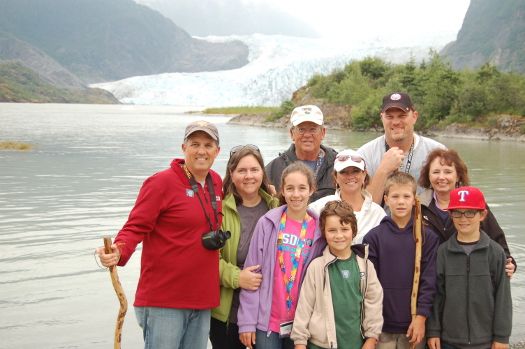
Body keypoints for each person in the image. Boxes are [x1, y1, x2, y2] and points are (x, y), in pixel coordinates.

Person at [96, 120, 222, 349]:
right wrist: (118, 250)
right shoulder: (161, 183)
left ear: (217, 151)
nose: (201, 151)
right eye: (195, 144)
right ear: (184, 148)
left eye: (207, 144)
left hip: (203, 299)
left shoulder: (216, 182)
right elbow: (135, 227)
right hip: (164, 301)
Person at [237, 162, 327, 349]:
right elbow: (252, 274)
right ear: (282, 191)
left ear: (311, 190)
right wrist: (247, 321)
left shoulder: (319, 231)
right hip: (267, 322)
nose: (296, 194)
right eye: (290, 188)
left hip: (302, 323)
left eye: (302, 188)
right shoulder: (268, 223)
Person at [210, 144, 279, 349]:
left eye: (254, 170)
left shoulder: (277, 209)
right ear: (231, 174)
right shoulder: (219, 212)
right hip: (228, 316)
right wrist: (237, 277)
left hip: (270, 316)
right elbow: (207, 261)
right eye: (242, 170)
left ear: (262, 173)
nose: (249, 176)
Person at [426, 186, 512, 349]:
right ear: (450, 215)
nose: (463, 218)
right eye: (457, 212)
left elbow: (503, 299)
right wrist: (433, 331)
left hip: (486, 341)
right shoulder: (442, 252)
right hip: (448, 340)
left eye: (470, 212)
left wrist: (502, 337)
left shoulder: (496, 253)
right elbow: (437, 295)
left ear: (482, 215)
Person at [291, 200, 384, 349]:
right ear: (324, 232)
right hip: (320, 345)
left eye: (344, 229)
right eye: (332, 230)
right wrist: (300, 342)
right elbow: (305, 306)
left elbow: (373, 304)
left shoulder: (365, 266)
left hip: (356, 344)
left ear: (353, 231)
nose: (339, 235)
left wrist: (372, 338)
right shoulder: (316, 267)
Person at [363, 172, 440, 349]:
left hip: (414, 323)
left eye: (406, 196)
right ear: (386, 199)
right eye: (395, 196)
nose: (400, 201)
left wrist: (421, 317)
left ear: (414, 200)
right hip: (381, 324)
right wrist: (371, 327)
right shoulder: (374, 238)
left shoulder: (426, 237)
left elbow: (429, 281)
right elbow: (369, 285)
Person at [418, 148, 516, 275]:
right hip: (431, 278)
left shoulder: (474, 203)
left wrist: (509, 263)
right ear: (428, 176)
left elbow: (496, 238)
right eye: (436, 172)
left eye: (448, 172)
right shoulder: (417, 206)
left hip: (468, 275)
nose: (441, 177)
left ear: (458, 175)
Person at [357, 92, 445, 204]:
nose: (396, 122)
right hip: (380, 220)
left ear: (414, 116)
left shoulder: (437, 152)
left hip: (424, 220)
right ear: (382, 118)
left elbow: (449, 197)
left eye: (402, 116)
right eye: (389, 117)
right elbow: (363, 209)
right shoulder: (364, 155)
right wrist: (383, 170)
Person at [309, 148, 386, 243]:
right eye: (344, 172)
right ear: (335, 176)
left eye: (355, 171)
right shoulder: (317, 208)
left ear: (364, 174)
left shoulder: (378, 214)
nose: (350, 176)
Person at [265, 105, 338, 202]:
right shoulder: (273, 169)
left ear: (323, 133)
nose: (307, 135)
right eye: (301, 129)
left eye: (313, 129)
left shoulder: (338, 165)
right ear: (292, 133)